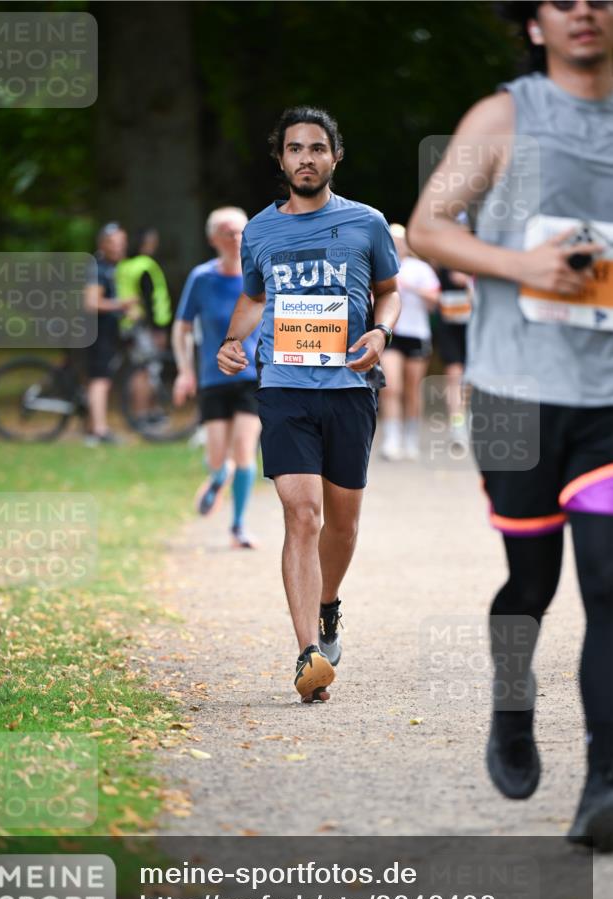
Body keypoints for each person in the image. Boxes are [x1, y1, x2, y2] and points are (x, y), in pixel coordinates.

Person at [408, 0, 613, 849]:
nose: (584, 13)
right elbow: (426, 229)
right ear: (534, 24)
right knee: (529, 586)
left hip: (606, 398)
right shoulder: (505, 116)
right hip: (512, 394)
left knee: (607, 587)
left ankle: (603, 784)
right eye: (562, 1)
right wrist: (522, 264)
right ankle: (511, 700)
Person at [217, 106, 401, 703]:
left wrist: (381, 333)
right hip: (284, 388)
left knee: (343, 524)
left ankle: (328, 607)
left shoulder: (367, 223)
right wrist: (232, 341)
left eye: (316, 148)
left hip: (349, 390)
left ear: (334, 157)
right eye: (294, 148)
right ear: (281, 159)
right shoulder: (260, 232)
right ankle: (307, 655)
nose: (305, 158)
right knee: (303, 514)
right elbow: (252, 298)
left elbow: (388, 292)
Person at [172, 207, 262, 549]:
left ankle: (237, 526)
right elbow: (181, 328)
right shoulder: (201, 278)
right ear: (213, 239)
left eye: (240, 232)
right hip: (212, 378)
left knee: (244, 449)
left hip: (252, 376)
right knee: (217, 457)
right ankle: (217, 478)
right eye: (227, 232)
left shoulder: (258, 276)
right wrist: (185, 370)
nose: (235, 239)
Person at [378, 224, 440, 460]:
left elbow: (435, 301)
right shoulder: (381, 266)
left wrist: (409, 288)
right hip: (390, 333)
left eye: (399, 240)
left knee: (412, 390)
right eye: (391, 240)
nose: (396, 245)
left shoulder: (420, 268)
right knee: (391, 386)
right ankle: (392, 438)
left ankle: (411, 437)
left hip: (416, 333)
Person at [83, 222, 137, 445]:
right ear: (102, 244)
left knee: (97, 379)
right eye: (114, 243)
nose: (119, 248)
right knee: (100, 380)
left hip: (103, 330)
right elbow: (91, 303)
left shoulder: (113, 267)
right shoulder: (98, 268)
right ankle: (99, 431)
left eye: (122, 243)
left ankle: (91, 425)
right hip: (95, 331)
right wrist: (121, 305)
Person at [116, 227, 173, 429]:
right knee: (146, 370)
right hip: (145, 326)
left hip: (129, 325)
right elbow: (149, 300)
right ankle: (142, 416)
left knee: (141, 369)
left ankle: (146, 413)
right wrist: (157, 329)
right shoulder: (145, 266)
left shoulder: (125, 265)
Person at [434, 264, 473, 454]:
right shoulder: (440, 257)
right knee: (454, 375)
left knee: (471, 379)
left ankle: (468, 420)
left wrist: (471, 281)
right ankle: (457, 426)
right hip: (449, 323)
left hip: (474, 323)